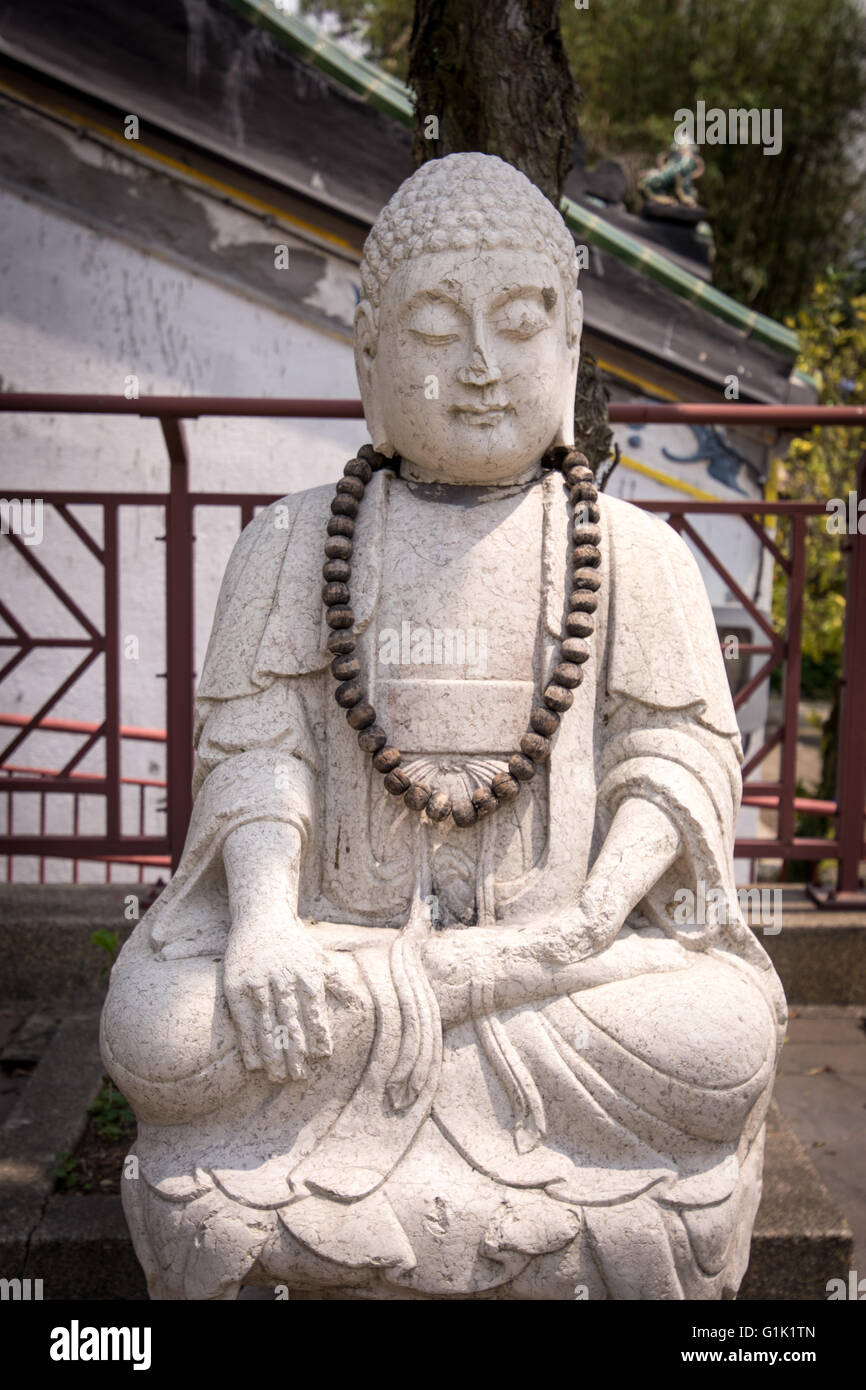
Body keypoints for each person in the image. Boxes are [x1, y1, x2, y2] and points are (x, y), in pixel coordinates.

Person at [101, 153, 785, 1301]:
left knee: (716, 1041)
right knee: (160, 1030)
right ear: (367, 353)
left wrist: (583, 925)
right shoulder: (290, 541)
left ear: (568, 345)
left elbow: (674, 762)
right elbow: (254, 751)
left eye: (518, 326)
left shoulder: (633, 555)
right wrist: (267, 927)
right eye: (433, 328)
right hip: (336, 958)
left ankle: (404, 1097)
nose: (478, 369)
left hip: (561, 974)